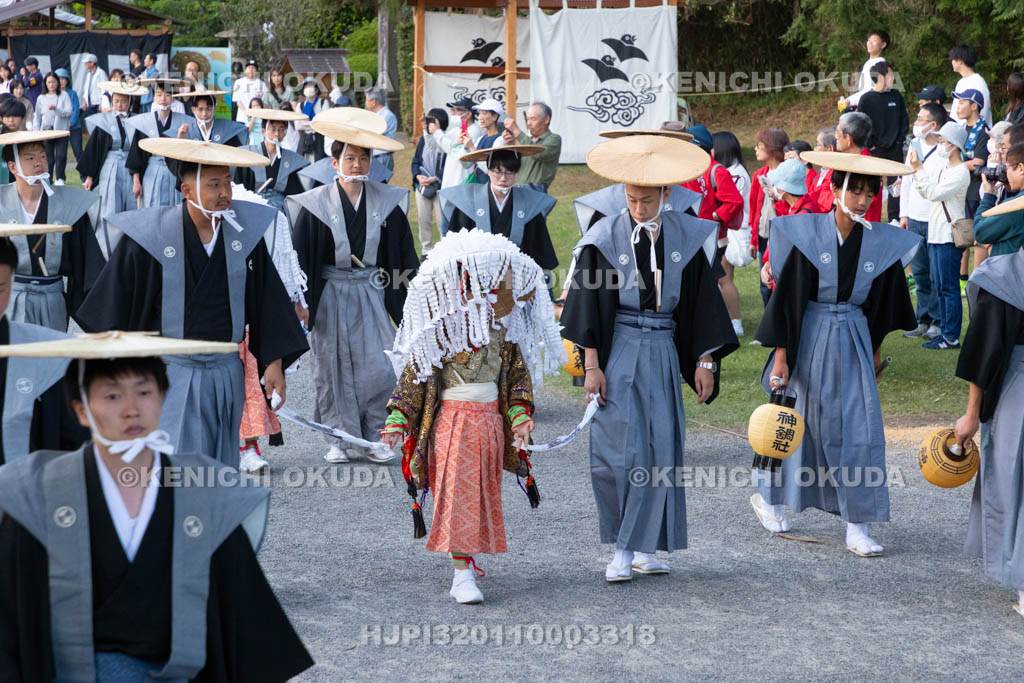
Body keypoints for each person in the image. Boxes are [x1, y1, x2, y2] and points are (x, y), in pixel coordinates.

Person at [0, 333, 315, 680]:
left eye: (144, 391)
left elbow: (242, 627)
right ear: (81, 410)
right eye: (112, 395)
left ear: (163, 398)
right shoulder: (38, 493)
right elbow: (11, 622)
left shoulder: (204, 493)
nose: (131, 408)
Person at [560, 134, 738, 582]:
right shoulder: (604, 236)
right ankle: (621, 548)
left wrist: (705, 361)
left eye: (647, 199)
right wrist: (592, 367)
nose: (638, 207)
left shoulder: (688, 235)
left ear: (666, 194)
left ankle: (646, 547)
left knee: (661, 447)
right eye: (631, 198)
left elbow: (702, 305)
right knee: (620, 449)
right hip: (618, 347)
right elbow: (585, 308)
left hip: (662, 348)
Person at [75, 139, 308, 467]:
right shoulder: (151, 236)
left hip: (227, 370)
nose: (225, 192)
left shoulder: (244, 236)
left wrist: (274, 363)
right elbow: (113, 306)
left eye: (227, 182)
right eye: (214, 185)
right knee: (174, 469)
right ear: (187, 190)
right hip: (170, 372)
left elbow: (267, 301)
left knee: (221, 464)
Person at [382, 229, 564, 604]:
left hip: (490, 426)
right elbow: (413, 379)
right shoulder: (441, 331)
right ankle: (461, 573)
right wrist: (397, 420)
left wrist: (519, 418)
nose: (493, 293)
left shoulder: (503, 334)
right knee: (458, 493)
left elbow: (515, 381)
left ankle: (469, 561)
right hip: (453, 423)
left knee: (481, 493)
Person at [752, 151, 920, 556]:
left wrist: (875, 350)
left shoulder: (880, 243)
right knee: (792, 423)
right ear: (833, 189)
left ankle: (856, 524)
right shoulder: (809, 236)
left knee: (859, 429)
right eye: (854, 189)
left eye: (868, 192)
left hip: (855, 337)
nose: (862, 200)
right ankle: (768, 497)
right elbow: (789, 301)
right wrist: (781, 358)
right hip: (808, 334)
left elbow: (883, 305)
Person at [287, 117, 418, 464]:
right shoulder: (316, 204)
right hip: (329, 291)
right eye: (349, 158)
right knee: (331, 366)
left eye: (363, 158)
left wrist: (410, 297)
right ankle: (339, 437)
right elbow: (299, 258)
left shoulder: (387, 201)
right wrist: (301, 300)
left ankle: (378, 434)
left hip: (372, 290)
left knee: (379, 364)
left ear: (371, 162)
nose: (357, 165)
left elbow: (404, 255)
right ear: (334, 163)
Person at [951, 238, 1024, 618]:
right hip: (1018, 389)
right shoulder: (1004, 276)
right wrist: (971, 414)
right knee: (1016, 479)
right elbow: (983, 350)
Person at [0, 129, 103, 329]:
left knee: (52, 355)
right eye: (30, 158)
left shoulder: (70, 205)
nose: (39, 163)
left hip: (52, 299)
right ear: (13, 167)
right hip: (11, 298)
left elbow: (88, 265)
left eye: (42, 156)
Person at [0, 234, 82, 464]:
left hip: (20, 487)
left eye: (0, 289)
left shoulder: (46, 351)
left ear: (13, 281)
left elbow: (67, 439)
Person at [442, 146, 558, 274]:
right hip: (477, 278)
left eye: (509, 173)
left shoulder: (528, 204)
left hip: (517, 276)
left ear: (516, 173)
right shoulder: (469, 201)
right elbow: (456, 248)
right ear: (489, 171)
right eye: (498, 172)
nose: (503, 178)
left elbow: (539, 251)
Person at [908, 121, 971, 350]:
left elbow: (933, 192)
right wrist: (919, 174)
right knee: (939, 284)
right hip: (936, 233)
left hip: (948, 235)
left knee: (948, 286)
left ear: (954, 145)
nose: (940, 144)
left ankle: (951, 336)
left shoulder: (960, 172)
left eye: (943, 141)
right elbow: (926, 191)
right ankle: (945, 331)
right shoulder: (945, 168)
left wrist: (919, 170)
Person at [682, 124, 746, 336]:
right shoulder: (686, 167)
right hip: (690, 234)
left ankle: (735, 323)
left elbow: (734, 201)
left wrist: (715, 216)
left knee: (721, 279)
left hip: (711, 236)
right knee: (700, 280)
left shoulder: (715, 169)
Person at [899, 102, 947, 340]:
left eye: (920, 119)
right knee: (919, 272)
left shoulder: (945, 149)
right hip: (915, 217)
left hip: (936, 219)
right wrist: (904, 214)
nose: (916, 123)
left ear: (934, 125)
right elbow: (907, 181)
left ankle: (938, 321)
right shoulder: (914, 145)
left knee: (936, 274)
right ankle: (923, 319)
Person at [79, 81, 145, 228]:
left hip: (130, 166)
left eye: (123, 101)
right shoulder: (105, 121)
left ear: (130, 102)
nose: (119, 105)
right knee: (110, 203)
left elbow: (140, 150)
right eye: (116, 101)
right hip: (110, 166)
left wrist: (137, 177)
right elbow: (94, 149)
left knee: (131, 203)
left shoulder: (138, 121)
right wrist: (89, 176)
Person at [125, 79, 195, 208]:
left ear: (173, 97)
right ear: (153, 97)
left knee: (174, 209)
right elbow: (136, 153)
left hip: (174, 172)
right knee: (153, 208)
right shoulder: (145, 122)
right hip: (153, 171)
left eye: (168, 95)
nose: (163, 98)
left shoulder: (183, 121)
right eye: (159, 95)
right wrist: (136, 181)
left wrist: (181, 138)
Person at [233, 108, 309, 216]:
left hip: (281, 210)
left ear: (285, 133)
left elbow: (295, 194)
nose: (277, 134)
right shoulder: (250, 154)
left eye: (282, 129)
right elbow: (240, 186)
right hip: (253, 206)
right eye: (273, 129)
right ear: (263, 131)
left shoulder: (292, 160)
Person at [858, 61, 909, 221]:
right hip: (875, 149)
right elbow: (862, 124)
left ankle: (894, 217)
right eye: (891, 75)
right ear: (881, 76)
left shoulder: (896, 95)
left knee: (897, 183)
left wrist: (900, 141)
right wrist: (871, 145)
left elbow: (904, 120)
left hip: (895, 147)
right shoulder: (866, 99)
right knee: (873, 184)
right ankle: (870, 217)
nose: (893, 78)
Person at [814, 113, 883, 223]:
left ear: (849, 139)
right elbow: (821, 193)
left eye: (838, 132)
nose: (835, 136)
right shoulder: (843, 161)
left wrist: (834, 199)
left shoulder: (866, 167)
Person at [749, 127, 789, 306]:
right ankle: (769, 324)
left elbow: (790, 207)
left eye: (759, 145)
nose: (755, 149)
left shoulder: (788, 175)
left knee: (780, 282)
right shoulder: (759, 175)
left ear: (772, 148)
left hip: (781, 236)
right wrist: (753, 239)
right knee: (764, 284)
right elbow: (754, 209)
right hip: (763, 236)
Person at [423, 97, 481, 198]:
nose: (453, 113)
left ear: (469, 114)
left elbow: (456, 152)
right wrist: (427, 131)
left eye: (457, 110)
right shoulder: (455, 131)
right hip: (449, 183)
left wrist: (437, 132)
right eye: (452, 110)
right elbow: (435, 147)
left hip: (463, 183)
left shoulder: (474, 131)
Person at [973, 143, 1024, 255]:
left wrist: (988, 197)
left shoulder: (1016, 207)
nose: (1006, 174)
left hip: (1011, 269)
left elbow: (980, 232)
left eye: (1006, 168)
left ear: (1021, 168)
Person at [501, 102, 561, 192]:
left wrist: (517, 132)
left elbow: (537, 153)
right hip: (518, 188)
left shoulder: (554, 139)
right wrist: (512, 144)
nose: (528, 123)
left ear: (546, 119)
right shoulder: (526, 141)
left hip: (536, 191)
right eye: (527, 119)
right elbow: (513, 166)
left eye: (533, 119)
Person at [411, 107, 447, 253]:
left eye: (432, 120)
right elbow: (415, 162)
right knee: (423, 220)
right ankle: (426, 251)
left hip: (440, 187)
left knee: (441, 222)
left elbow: (448, 164)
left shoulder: (445, 139)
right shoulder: (423, 140)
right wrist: (418, 177)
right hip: (423, 186)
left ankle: (445, 251)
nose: (429, 123)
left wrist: (436, 178)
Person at [32, 73, 72, 185]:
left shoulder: (64, 95)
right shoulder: (41, 98)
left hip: (61, 131)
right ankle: (48, 179)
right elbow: (37, 116)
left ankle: (60, 178)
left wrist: (57, 109)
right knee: (48, 158)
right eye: (49, 82)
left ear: (58, 83)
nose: (51, 84)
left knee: (61, 155)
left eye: (54, 81)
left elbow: (69, 112)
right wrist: (36, 132)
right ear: (45, 83)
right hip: (46, 131)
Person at [178, 90, 247, 146]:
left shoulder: (226, 127)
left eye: (208, 109)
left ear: (214, 109)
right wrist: (180, 139)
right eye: (200, 109)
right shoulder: (187, 131)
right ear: (193, 109)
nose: (204, 114)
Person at [841, 28, 888, 109]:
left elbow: (870, 91)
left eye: (874, 40)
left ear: (883, 45)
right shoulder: (869, 62)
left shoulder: (879, 64)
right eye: (869, 40)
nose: (870, 43)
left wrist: (849, 101)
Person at [949, 45, 992, 127]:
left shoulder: (978, 82)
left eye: (953, 59)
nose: (952, 62)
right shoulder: (961, 82)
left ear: (960, 61)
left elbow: (982, 112)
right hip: (959, 133)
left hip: (975, 134)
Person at [56, 69, 82, 177]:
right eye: (59, 79)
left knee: (78, 152)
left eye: (63, 79)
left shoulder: (72, 94)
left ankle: (85, 177)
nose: (61, 81)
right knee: (60, 155)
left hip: (74, 128)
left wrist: (70, 123)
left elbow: (76, 110)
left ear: (67, 80)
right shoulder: (53, 95)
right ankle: (60, 178)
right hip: (60, 130)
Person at [364, 88, 397, 173]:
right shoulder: (377, 115)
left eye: (367, 100)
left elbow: (372, 133)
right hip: (375, 156)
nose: (366, 103)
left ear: (374, 102)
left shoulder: (386, 116)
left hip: (382, 156)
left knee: (379, 184)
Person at [232, 59, 267, 126]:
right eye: (249, 68)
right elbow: (238, 102)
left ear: (256, 71)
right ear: (245, 70)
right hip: (242, 118)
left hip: (257, 119)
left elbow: (264, 102)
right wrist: (246, 112)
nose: (251, 70)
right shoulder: (238, 82)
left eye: (253, 68)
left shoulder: (262, 84)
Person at [79, 53, 107, 118]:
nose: (85, 64)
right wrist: (85, 102)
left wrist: (102, 102)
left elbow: (104, 89)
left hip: (98, 104)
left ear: (92, 63)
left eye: (86, 63)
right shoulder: (89, 74)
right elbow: (87, 89)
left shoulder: (101, 73)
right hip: (90, 105)